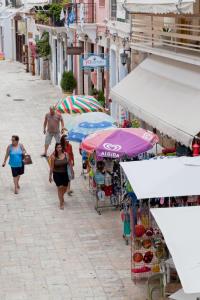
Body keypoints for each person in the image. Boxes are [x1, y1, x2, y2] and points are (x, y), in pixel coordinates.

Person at [49, 143, 69, 210]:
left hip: (65, 173)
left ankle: (61, 197)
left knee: (65, 188)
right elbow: (51, 167)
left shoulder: (66, 154)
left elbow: (69, 164)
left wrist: (72, 172)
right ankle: (61, 203)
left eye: (60, 147)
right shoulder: (53, 156)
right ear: (56, 148)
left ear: (62, 148)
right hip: (57, 174)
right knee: (60, 187)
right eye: (58, 147)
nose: (59, 149)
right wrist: (50, 176)